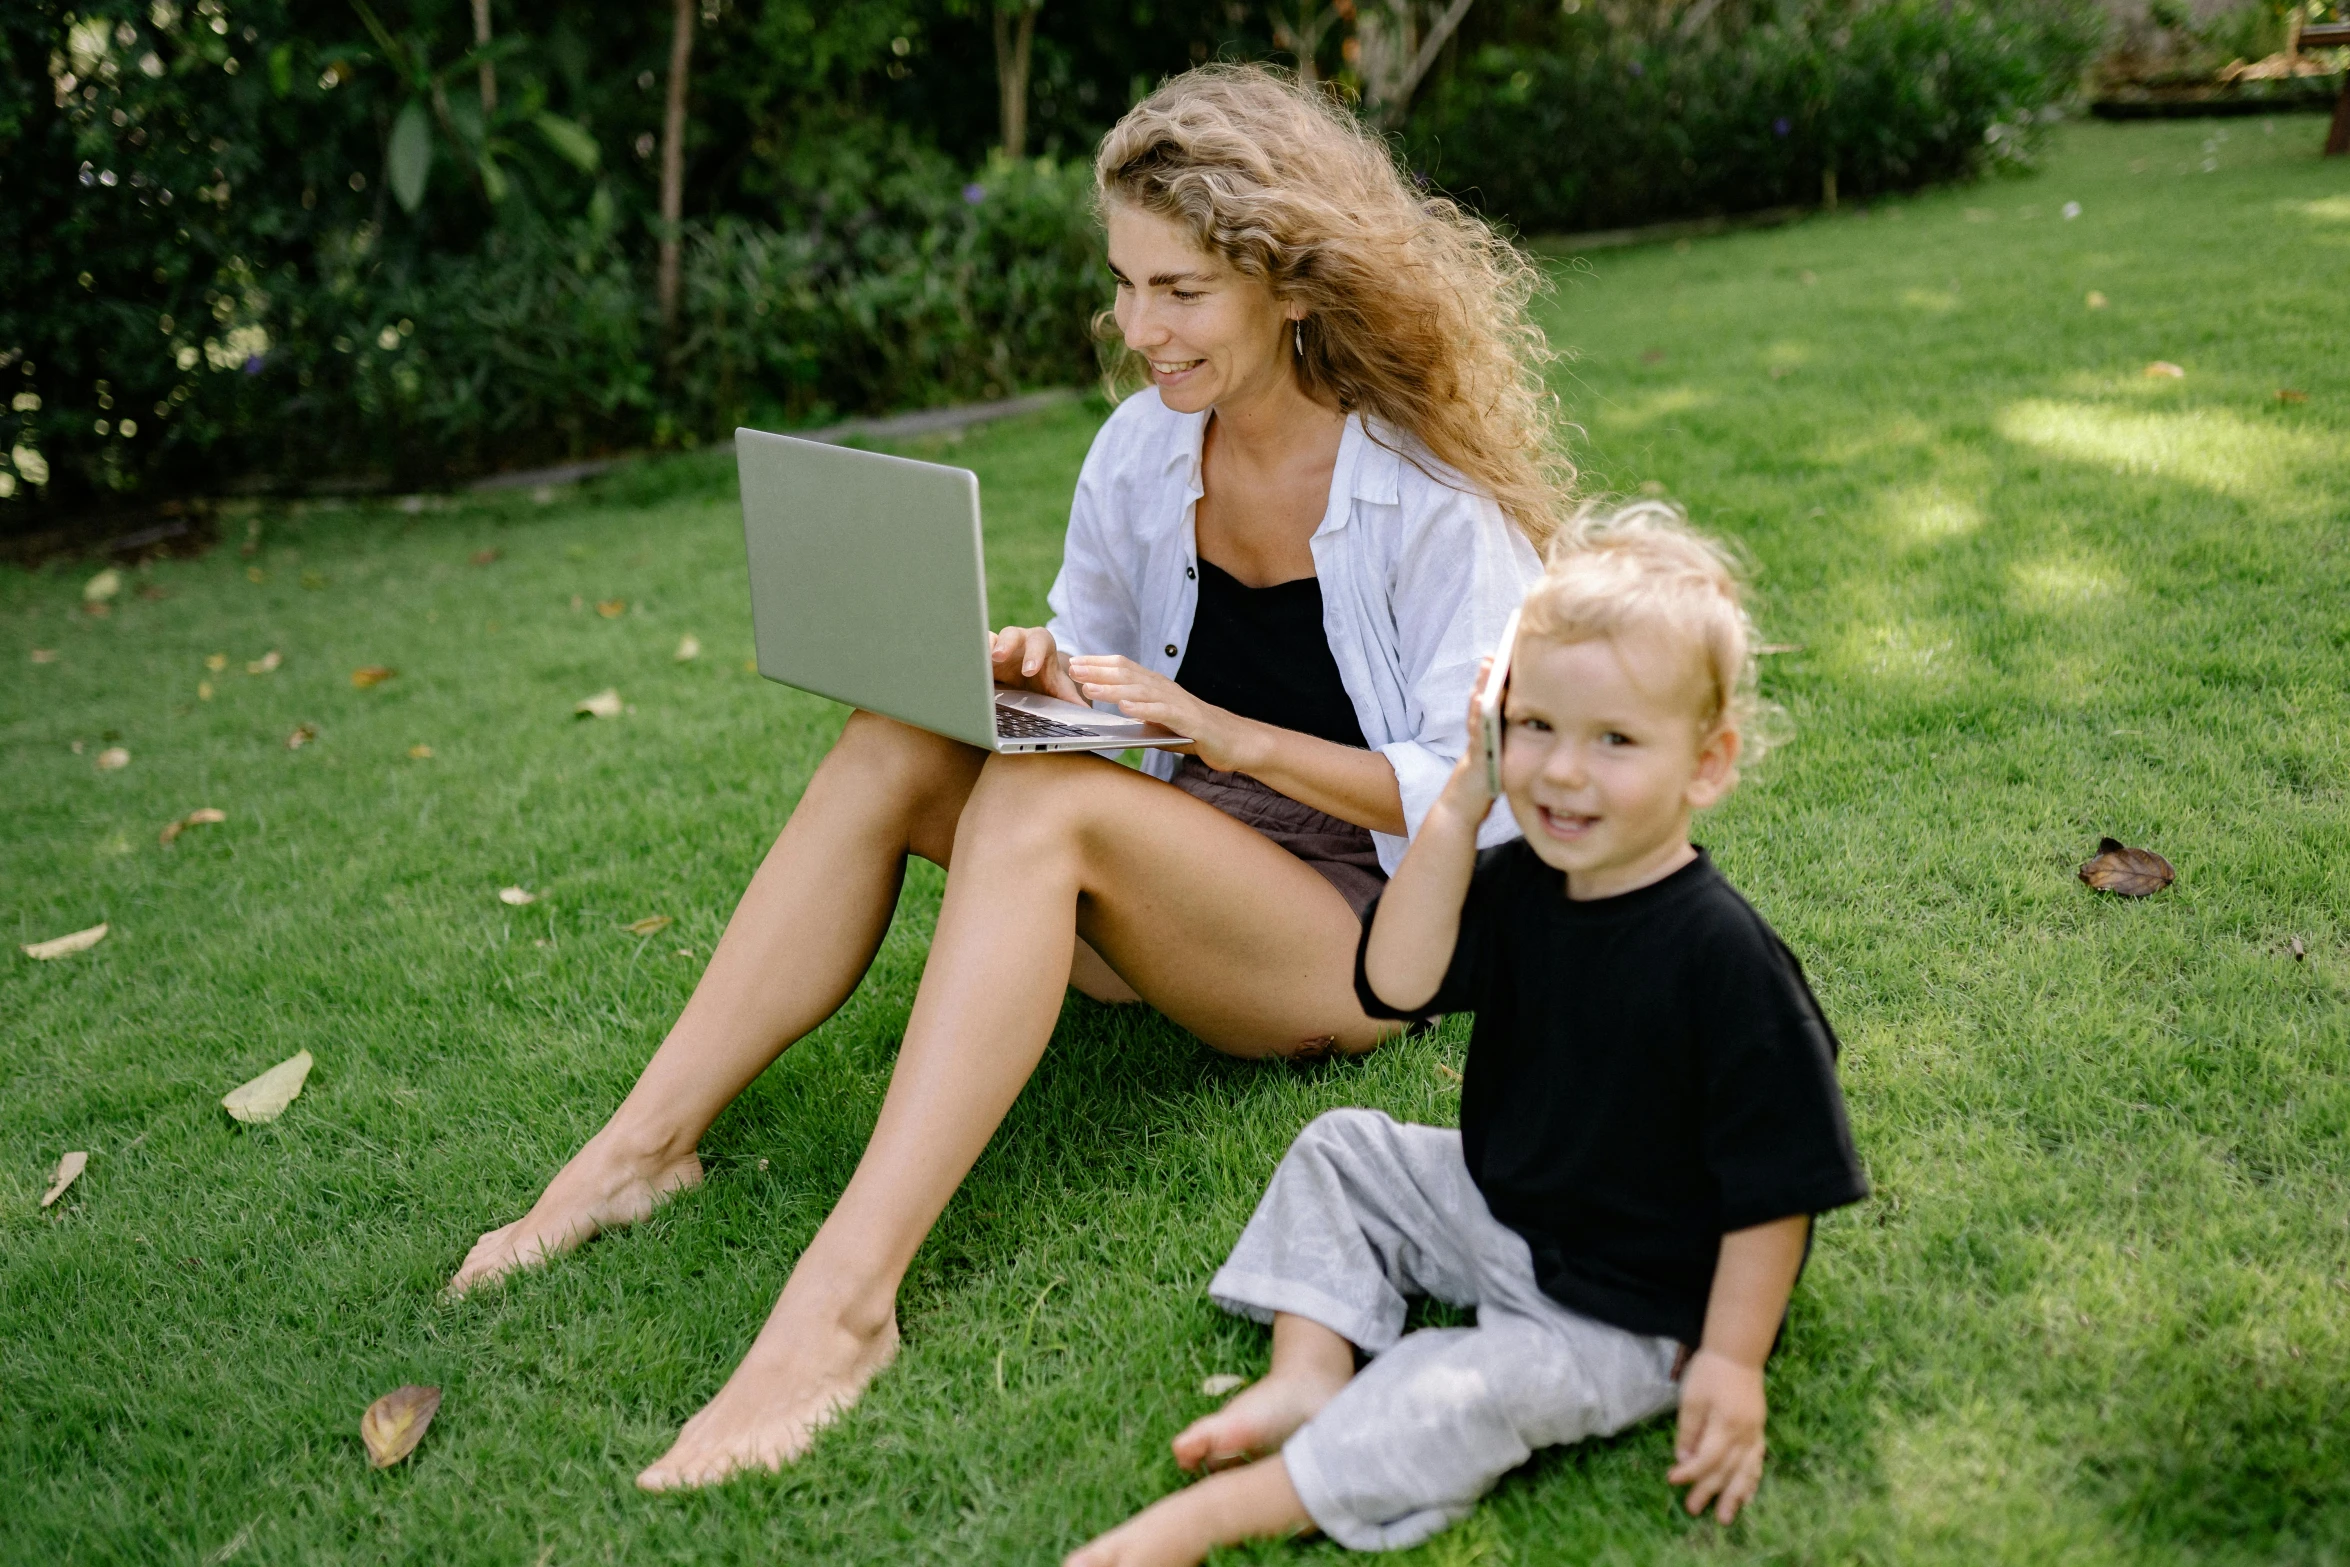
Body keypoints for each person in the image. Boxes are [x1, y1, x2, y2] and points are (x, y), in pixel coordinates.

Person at [444, 63, 1564, 1491]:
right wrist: (1038, 676)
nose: (1136, 329)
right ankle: (638, 1150)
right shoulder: (1142, 451)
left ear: (1288, 286)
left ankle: (841, 1311)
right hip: (1185, 866)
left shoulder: (1428, 502)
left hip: (1359, 935)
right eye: (1122, 284)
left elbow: (1490, 793)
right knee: (900, 734)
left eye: (1178, 292)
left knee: (1044, 805)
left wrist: (1224, 736)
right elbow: (1110, 681)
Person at [1067, 506, 1869, 1565]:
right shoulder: (1525, 883)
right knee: (1344, 1146)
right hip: (1504, 1204)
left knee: (1455, 1391)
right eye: (1535, 726)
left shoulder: (1721, 960)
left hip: (1624, 1311)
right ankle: (1309, 1371)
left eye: (1614, 740)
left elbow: (1777, 1188)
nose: (1564, 771)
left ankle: (1220, 1515)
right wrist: (1456, 799)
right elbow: (1394, 982)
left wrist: (1730, 1357)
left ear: (1706, 764)